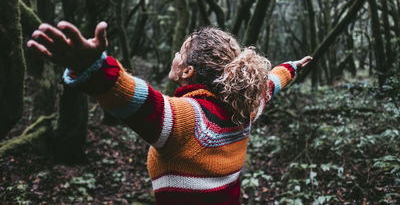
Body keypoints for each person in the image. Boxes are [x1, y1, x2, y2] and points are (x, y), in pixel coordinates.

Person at [27, 21, 312, 204]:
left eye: (180, 52)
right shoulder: (245, 107)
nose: (174, 56)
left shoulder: (191, 121)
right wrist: (291, 67)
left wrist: (95, 68)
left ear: (187, 70)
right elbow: (270, 84)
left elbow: (136, 100)